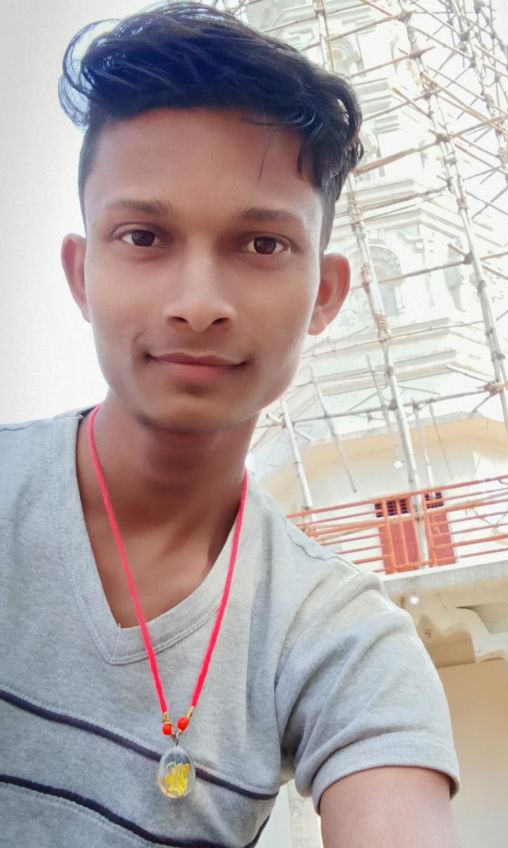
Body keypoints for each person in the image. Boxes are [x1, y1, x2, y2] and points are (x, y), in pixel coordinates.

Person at [0, 3, 459, 845]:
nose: (199, 304)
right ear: (82, 273)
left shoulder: (340, 639)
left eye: (261, 245)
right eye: (144, 236)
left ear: (324, 294)